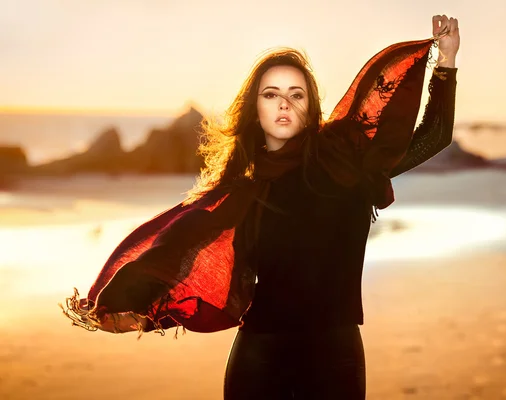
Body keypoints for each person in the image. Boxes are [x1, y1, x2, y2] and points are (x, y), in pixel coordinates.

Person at [62, 14, 460, 400]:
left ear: (311, 107)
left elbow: (434, 136)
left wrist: (446, 62)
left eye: (296, 94)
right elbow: (175, 251)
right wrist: (130, 306)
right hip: (259, 357)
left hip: (333, 357)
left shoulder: (348, 166)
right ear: (256, 109)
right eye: (272, 94)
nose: (284, 104)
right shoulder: (241, 195)